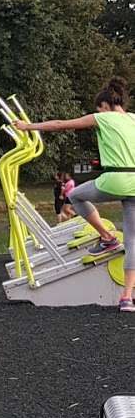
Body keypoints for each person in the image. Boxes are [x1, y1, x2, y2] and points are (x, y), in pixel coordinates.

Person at [14, 78, 135, 310]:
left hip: (116, 178)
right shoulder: (133, 119)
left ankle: (107, 238)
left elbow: (61, 124)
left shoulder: (102, 117)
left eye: (98, 108)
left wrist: (28, 127)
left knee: (76, 196)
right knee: (132, 241)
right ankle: (127, 298)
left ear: (105, 105)